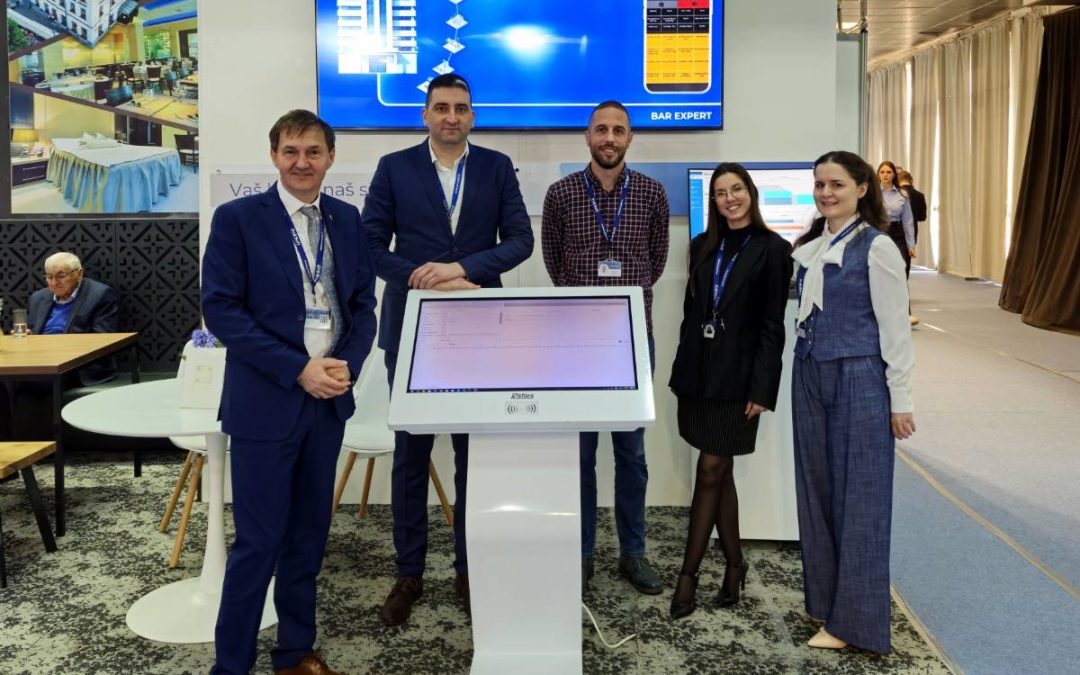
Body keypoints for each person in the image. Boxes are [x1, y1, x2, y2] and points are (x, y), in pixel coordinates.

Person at [202, 109, 377, 675]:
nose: (302, 162)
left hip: (327, 403)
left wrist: (345, 366)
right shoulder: (238, 219)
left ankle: (294, 652)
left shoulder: (347, 220)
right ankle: (232, 666)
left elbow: (362, 308)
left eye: (313, 152)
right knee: (257, 544)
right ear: (274, 156)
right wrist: (299, 369)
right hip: (265, 403)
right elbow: (221, 310)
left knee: (308, 539)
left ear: (331, 157)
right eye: (291, 151)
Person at [363, 73, 534, 626]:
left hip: (481, 328)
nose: (451, 117)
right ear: (426, 115)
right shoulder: (394, 167)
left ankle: (467, 567)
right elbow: (370, 245)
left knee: (471, 456)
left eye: (461, 108)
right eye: (441, 107)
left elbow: (521, 240)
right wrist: (423, 277)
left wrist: (462, 269)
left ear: (472, 116)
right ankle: (408, 572)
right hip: (413, 328)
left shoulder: (496, 167)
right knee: (411, 456)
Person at [541, 100, 670, 595]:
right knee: (580, 453)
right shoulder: (561, 194)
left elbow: (656, 261)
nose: (609, 138)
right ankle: (581, 553)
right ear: (587, 137)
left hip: (632, 341)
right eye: (601, 130)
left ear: (630, 137)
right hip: (575, 341)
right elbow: (554, 262)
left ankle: (633, 553)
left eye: (618, 130)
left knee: (631, 453)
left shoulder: (652, 194)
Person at [791, 150, 915, 653]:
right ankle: (828, 605)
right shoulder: (815, 244)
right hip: (809, 373)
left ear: (862, 189)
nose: (826, 193)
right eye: (820, 184)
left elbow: (896, 329)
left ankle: (856, 624)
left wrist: (900, 399)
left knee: (860, 500)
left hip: (858, 378)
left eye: (836, 184)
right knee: (816, 494)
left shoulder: (877, 247)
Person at [667, 163, 792, 618]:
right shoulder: (702, 245)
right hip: (698, 376)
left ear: (750, 193)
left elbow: (772, 325)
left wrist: (763, 388)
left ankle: (688, 575)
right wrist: (682, 368)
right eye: (721, 193)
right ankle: (736, 564)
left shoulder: (773, 250)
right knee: (721, 474)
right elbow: (691, 312)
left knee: (709, 470)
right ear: (714, 201)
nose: (730, 198)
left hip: (738, 382)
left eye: (736, 189)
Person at [27, 251, 120, 385]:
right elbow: (32, 332)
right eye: (49, 277)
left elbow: (102, 340)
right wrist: (26, 338)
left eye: (61, 276)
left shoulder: (100, 295)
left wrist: (56, 349)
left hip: (79, 365)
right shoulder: (38, 298)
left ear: (79, 274)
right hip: (41, 360)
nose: (54, 282)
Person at [877, 161, 918, 325]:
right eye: (882, 172)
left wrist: (911, 245)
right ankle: (880, 313)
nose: (885, 175)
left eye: (888, 172)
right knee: (879, 272)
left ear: (894, 174)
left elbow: (908, 220)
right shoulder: (872, 194)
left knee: (901, 271)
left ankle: (905, 314)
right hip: (878, 232)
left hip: (897, 233)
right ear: (878, 175)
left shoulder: (902, 194)